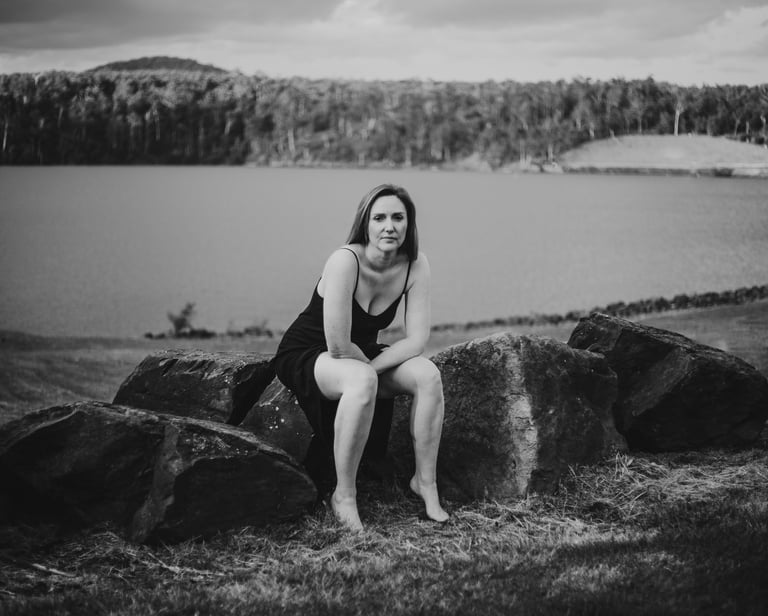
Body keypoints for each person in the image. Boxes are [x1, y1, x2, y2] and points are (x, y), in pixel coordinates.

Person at [272, 184, 449, 531]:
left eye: (398, 217)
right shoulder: (345, 260)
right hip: (312, 352)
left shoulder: (415, 264)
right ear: (364, 224)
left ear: (409, 224)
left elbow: (416, 340)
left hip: (363, 357)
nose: (389, 226)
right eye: (379, 217)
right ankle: (345, 495)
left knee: (427, 375)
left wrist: (373, 367)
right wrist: (369, 371)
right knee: (362, 378)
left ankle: (425, 484)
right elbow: (337, 345)